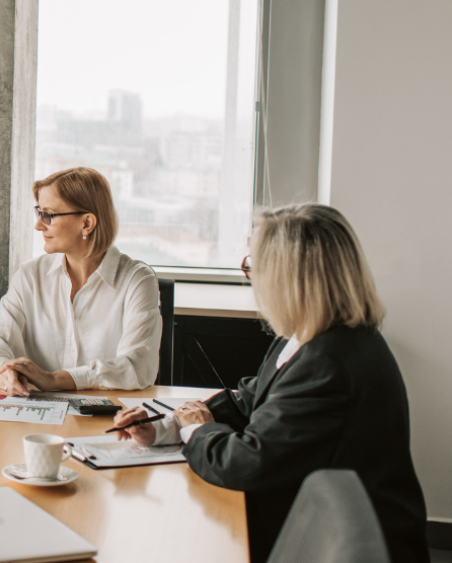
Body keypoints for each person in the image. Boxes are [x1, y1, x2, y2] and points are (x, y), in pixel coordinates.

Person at [113, 203, 429, 563]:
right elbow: (249, 401)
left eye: (252, 266)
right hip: (306, 517)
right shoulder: (307, 336)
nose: (249, 277)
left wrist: (196, 432)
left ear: (288, 279)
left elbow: (246, 464)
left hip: (343, 546)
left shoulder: (330, 363)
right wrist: (165, 427)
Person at [0, 167, 161, 394]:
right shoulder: (29, 275)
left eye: (49, 215)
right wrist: (4, 371)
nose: (38, 225)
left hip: (109, 420)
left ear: (87, 223)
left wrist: (53, 380)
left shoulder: (137, 280)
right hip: (34, 418)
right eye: (39, 212)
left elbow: (138, 367)